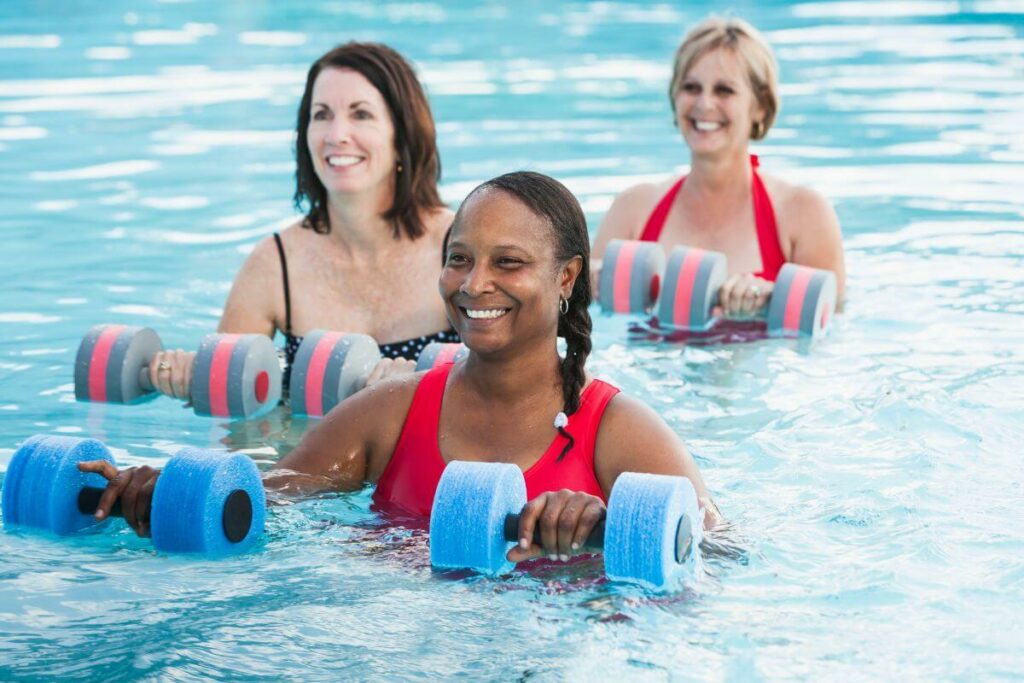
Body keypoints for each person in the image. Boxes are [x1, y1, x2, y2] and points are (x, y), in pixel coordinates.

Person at [81, 171, 721, 564]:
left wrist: (604, 529)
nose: (475, 285)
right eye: (461, 258)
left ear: (567, 278)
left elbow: (720, 551)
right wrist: (161, 490)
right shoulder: (386, 415)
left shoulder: (619, 432)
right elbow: (268, 501)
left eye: (508, 262)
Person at [150, 42, 458, 400]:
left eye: (361, 114)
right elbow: (229, 415)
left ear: (401, 135)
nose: (336, 134)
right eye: (321, 115)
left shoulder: (460, 250)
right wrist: (187, 380)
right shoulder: (275, 265)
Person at [593, 17, 845, 319]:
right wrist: (585, 283)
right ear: (675, 96)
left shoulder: (803, 213)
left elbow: (830, 331)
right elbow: (584, 323)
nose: (704, 104)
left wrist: (765, 306)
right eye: (691, 87)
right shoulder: (632, 210)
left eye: (724, 90)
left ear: (760, 106)